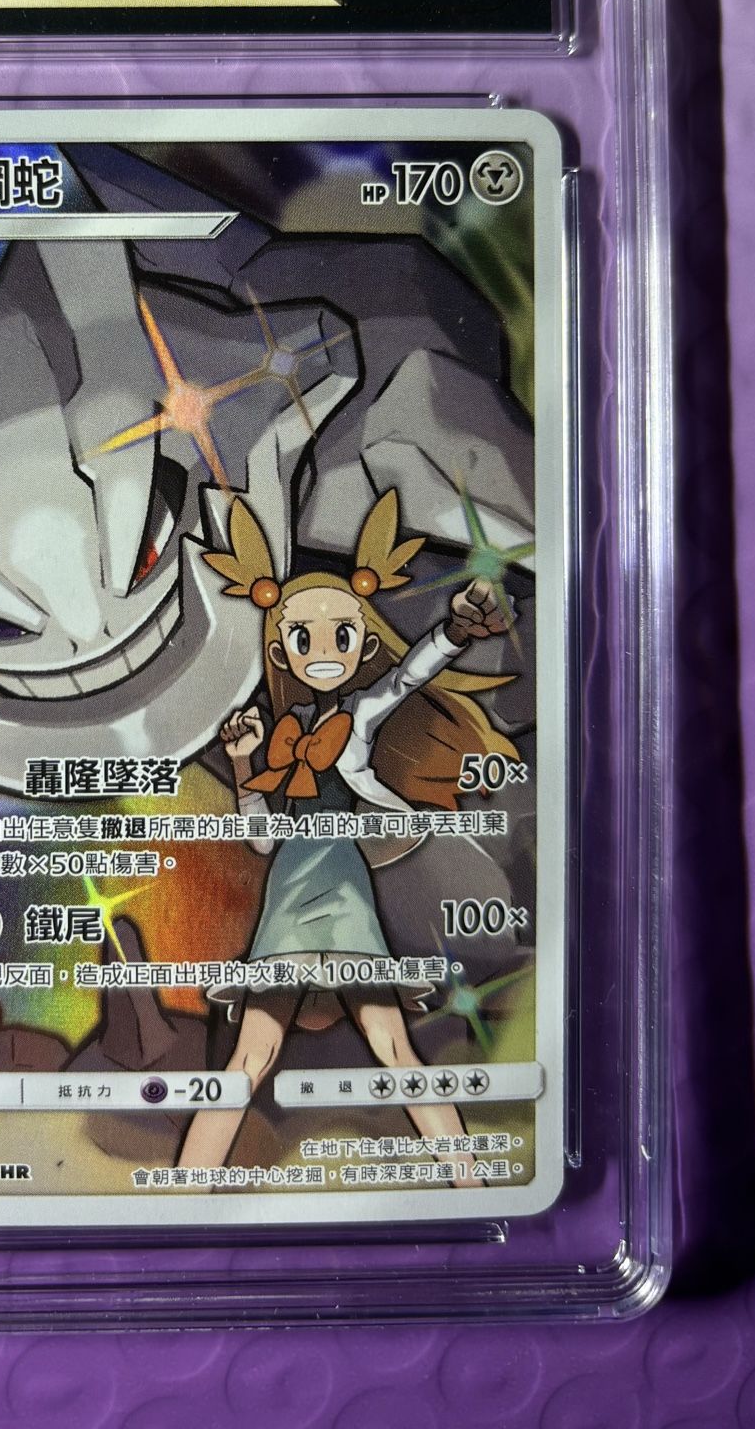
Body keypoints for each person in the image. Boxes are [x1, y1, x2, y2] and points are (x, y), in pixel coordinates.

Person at [176, 489, 516, 1181]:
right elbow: (262, 839)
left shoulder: (355, 718)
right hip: (288, 899)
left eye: (342, 634)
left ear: (362, 642)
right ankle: (178, 1194)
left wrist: (454, 631)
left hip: (346, 895)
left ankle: (469, 1182)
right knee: (250, 1058)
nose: (325, 650)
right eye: (304, 638)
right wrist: (243, 763)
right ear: (282, 649)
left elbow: (406, 678)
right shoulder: (275, 739)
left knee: (393, 1049)